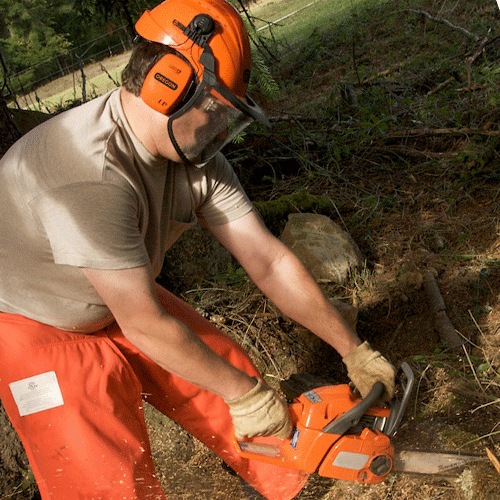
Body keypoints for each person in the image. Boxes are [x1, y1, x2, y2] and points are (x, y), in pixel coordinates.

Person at [0, 0, 396, 499]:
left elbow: (269, 261)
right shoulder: (90, 173)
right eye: (217, 111)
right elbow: (144, 324)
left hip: (121, 292)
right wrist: (246, 396)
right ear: (167, 87)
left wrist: (352, 349)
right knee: (106, 480)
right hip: (36, 326)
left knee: (224, 368)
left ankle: (299, 484)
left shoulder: (195, 162)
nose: (221, 131)